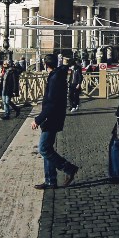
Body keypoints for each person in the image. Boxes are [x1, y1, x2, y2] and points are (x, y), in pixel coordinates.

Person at [32, 54, 78, 189]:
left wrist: (38, 119)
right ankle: (50, 180)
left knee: (44, 148)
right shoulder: (59, 74)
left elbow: (51, 103)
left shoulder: (54, 78)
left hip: (51, 118)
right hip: (55, 116)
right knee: (48, 147)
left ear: (46, 65)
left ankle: (68, 168)